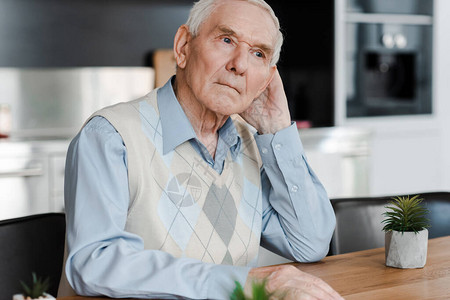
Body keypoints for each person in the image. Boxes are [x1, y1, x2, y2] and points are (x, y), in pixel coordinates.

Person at [58, 0, 341, 299]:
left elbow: (310, 242)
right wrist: (237, 283)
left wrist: (277, 128)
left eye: (258, 54)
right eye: (226, 39)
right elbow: (95, 262)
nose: (239, 65)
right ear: (183, 47)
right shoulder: (111, 136)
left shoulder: (250, 145)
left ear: (266, 80)